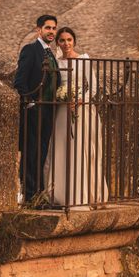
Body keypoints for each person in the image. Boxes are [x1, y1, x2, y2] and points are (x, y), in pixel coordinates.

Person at [45, 27, 107, 208]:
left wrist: (81, 100)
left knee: (82, 149)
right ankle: (61, 194)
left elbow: (93, 88)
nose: (66, 44)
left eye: (69, 40)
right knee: (62, 149)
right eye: (62, 40)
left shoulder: (84, 60)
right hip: (63, 111)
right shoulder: (56, 62)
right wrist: (62, 97)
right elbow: (54, 86)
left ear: (74, 41)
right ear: (58, 43)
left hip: (84, 110)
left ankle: (84, 195)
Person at [13, 15, 60, 203]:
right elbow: (19, 81)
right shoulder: (31, 50)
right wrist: (31, 103)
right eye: (48, 28)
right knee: (31, 153)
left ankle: (38, 195)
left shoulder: (51, 53)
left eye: (54, 28)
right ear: (38, 30)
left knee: (41, 154)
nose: (51, 32)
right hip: (34, 110)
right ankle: (30, 195)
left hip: (49, 111)